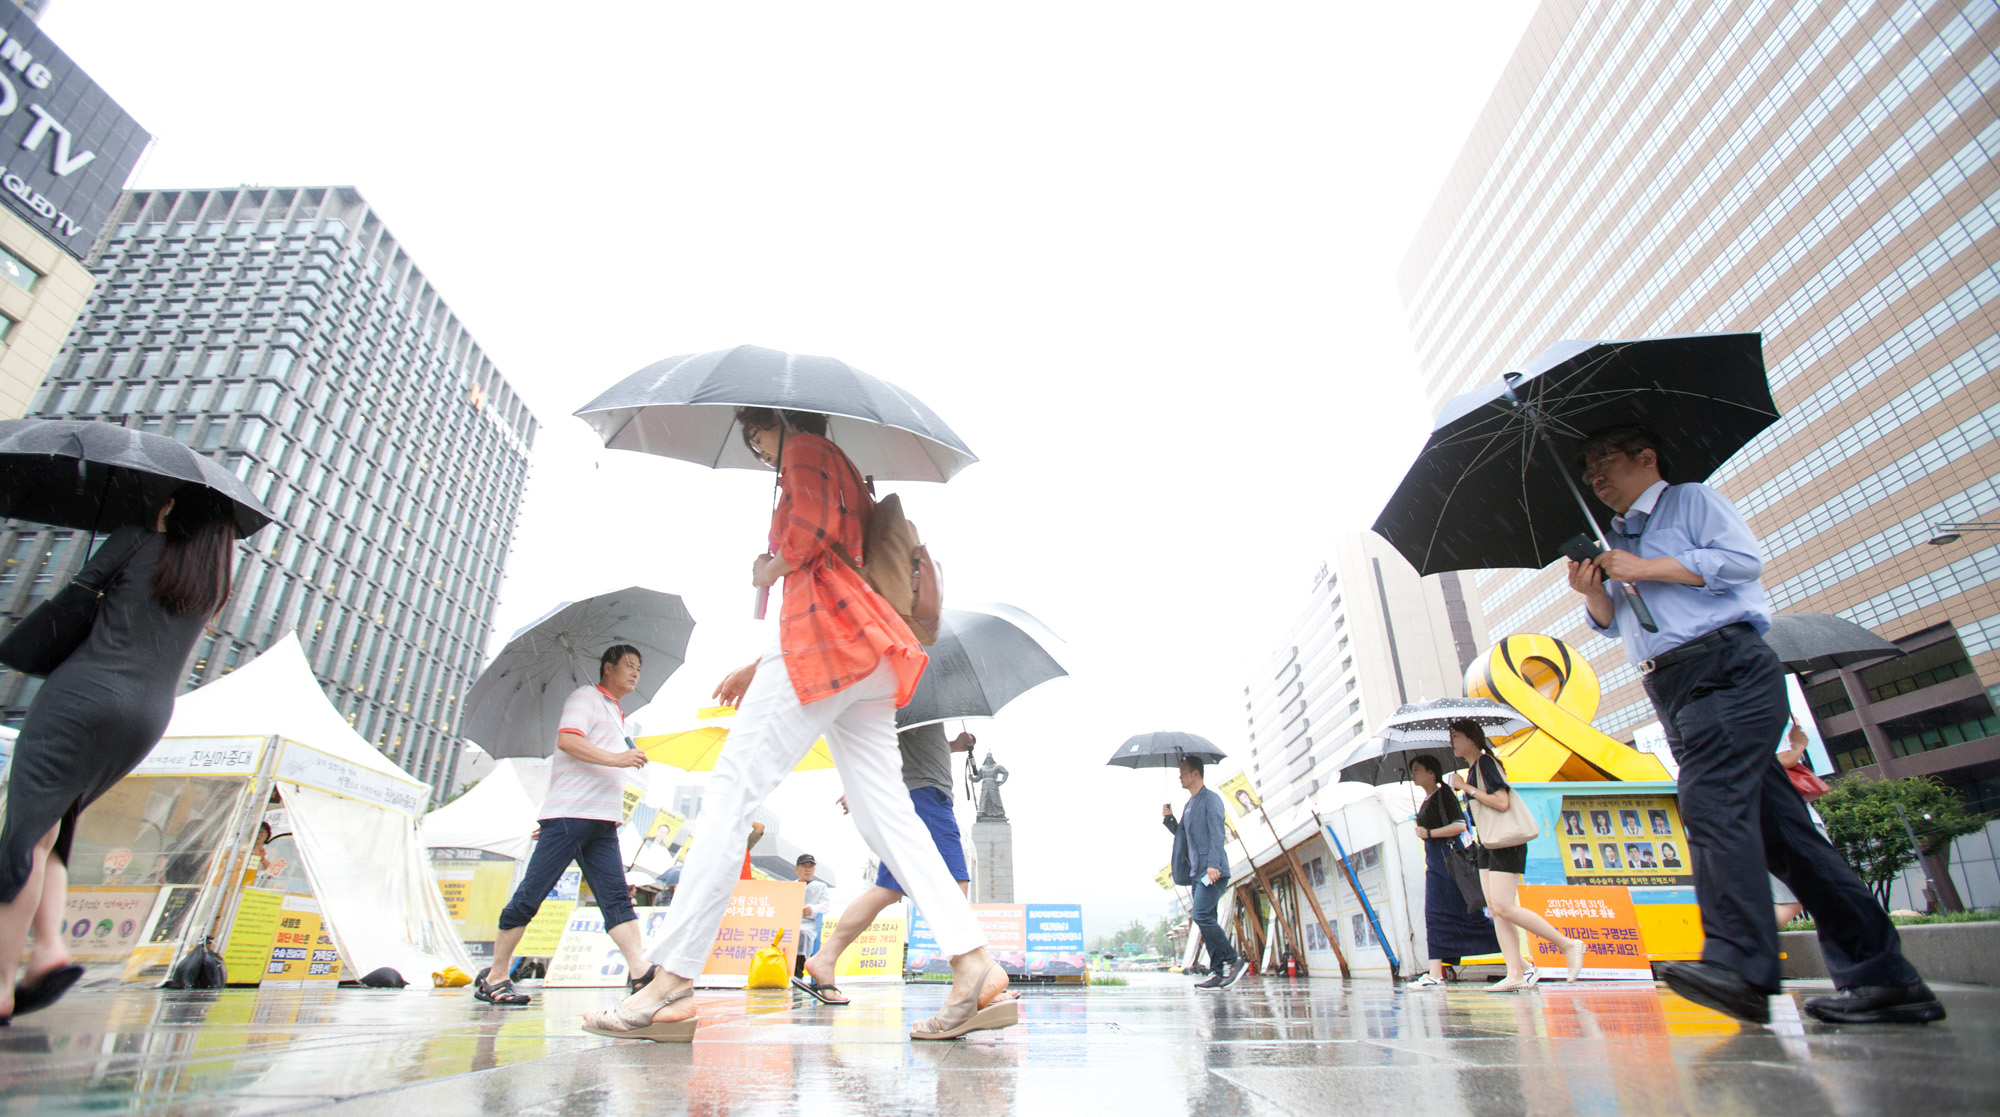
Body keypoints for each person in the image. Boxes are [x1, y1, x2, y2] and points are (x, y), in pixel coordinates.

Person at [587, 408, 1009, 1043]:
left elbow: (808, 538)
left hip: (822, 644)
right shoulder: (843, 468)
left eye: (755, 435)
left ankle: (671, 982)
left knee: (731, 793)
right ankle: (973, 962)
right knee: (885, 814)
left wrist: (769, 566)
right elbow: (836, 554)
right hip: (869, 650)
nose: (757, 451)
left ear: (778, 420)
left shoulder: (807, 452)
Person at [1566, 425, 1942, 1024]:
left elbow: (1740, 563)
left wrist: (1647, 564)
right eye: (1588, 470)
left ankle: (1739, 964)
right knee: (1786, 840)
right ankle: (1886, 979)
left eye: (1604, 461)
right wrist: (1595, 592)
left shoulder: (1691, 501)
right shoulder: (1613, 537)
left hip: (1726, 666)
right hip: (1670, 682)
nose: (1596, 476)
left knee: (1711, 803)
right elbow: (1618, 623)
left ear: (1646, 456)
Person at [0, 489, 237, 1021]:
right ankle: (48, 950)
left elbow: (69, 605)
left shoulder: (136, 542)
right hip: (149, 715)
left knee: (22, 838)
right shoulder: (211, 586)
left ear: (177, 510)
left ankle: (1, 981)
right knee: (54, 828)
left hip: (83, 694)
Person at [477, 645, 653, 1007]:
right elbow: (569, 741)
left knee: (616, 898)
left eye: (639, 668)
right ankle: (495, 977)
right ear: (608, 668)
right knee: (531, 894)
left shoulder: (615, 710)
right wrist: (618, 759)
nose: (636, 673)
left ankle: (640, 973)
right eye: (629, 666)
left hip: (601, 821)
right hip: (572, 816)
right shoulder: (585, 697)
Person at [801, 724, 982, 1004]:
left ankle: (825, 958)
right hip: (925, 797)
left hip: (924, 796)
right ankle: (973, 979)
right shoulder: (914, 691)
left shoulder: (925, 700)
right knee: (956, 883)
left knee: (887, 889)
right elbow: (881, 736)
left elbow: (914, 742)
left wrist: (953, 746)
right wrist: (857, 785)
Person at [1448, 720, 1585, 991]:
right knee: (1497, 910)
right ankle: (1515, 972)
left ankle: (1568, 945)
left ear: (1472, 738)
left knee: (1504, 906)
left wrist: (1466, 788)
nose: (1451, 742)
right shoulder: (1474, 768)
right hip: (1488, 843)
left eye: (1455, 736)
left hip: (1505, 843)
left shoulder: (1486, 763)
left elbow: (1502, 802)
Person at [1407, 754, 1499, 988]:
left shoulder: (1443, 794)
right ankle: (1435, 972)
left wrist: (1428, 833)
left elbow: (1459, 825)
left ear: (1431, 772)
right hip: (1438, 864)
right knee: (1437, 915)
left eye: (1417, 769)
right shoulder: (1428, 799)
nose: (1413, 774)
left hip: (1448, 863)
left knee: (1463, 914)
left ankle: (1514, 957)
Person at [1163, 756, 1246, 989]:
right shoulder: (1189, 805)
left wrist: (1213, 865)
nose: (1180, 776)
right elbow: (1185, 837)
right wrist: (1170, 820)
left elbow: (1217, 834)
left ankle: (1234, 960)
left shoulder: (1212, 800)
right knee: (1207, 917)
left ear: (1195, 774)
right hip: (1196, 873)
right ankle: (1217, 971)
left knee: (1200, 915)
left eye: (1183, 772)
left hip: (1213, 871)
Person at [792, 854, 828, 975]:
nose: (808, 870)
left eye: (810, 867)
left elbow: (825, 905)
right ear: (797, 869)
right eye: (804, 866)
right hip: (790, 922)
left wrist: (813, 910)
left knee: (802, 933)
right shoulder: (790, 886)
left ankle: (797, 970)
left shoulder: (820, 887)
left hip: (808, 924)